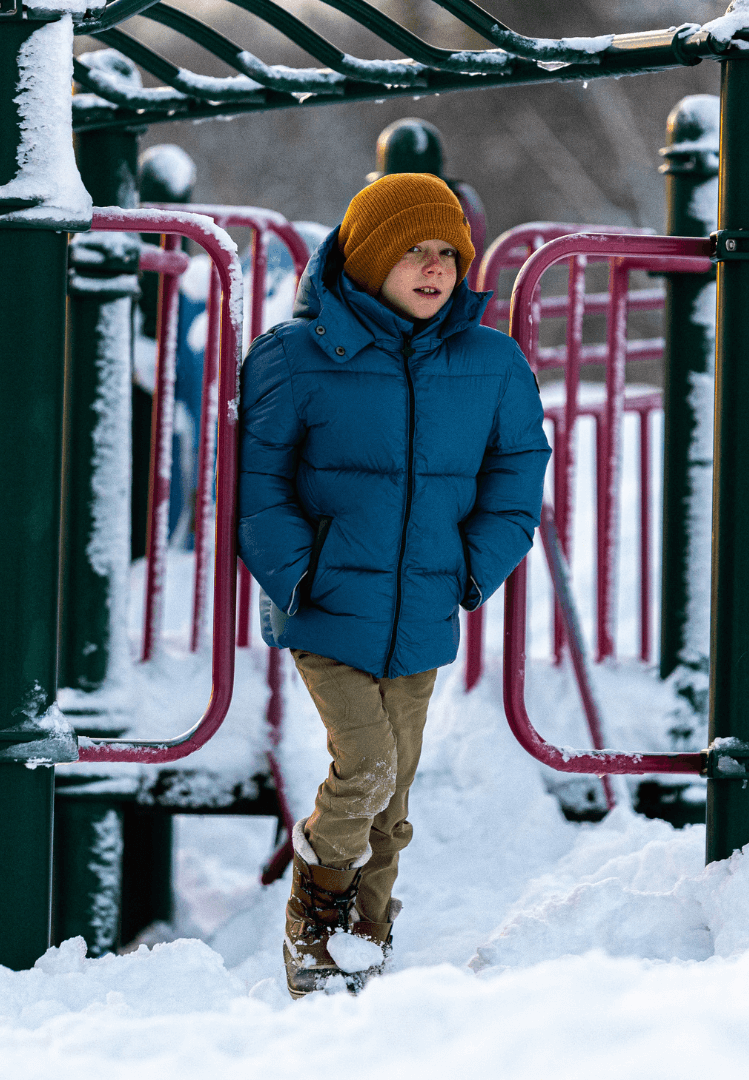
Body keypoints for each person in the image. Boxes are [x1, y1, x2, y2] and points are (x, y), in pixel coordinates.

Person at [238, 173, 550, 998]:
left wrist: (472, 565)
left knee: (394, 799)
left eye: (447, 252)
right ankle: (317, 915)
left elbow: (518, 469)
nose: (434, 266)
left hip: (420, 608)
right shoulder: (293, 357)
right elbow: (259, 485)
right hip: (327, 607)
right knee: (367, 764)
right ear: (372, 256)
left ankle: (364, 946)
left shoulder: (490, 361)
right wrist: (300, 573)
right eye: (413, 249)